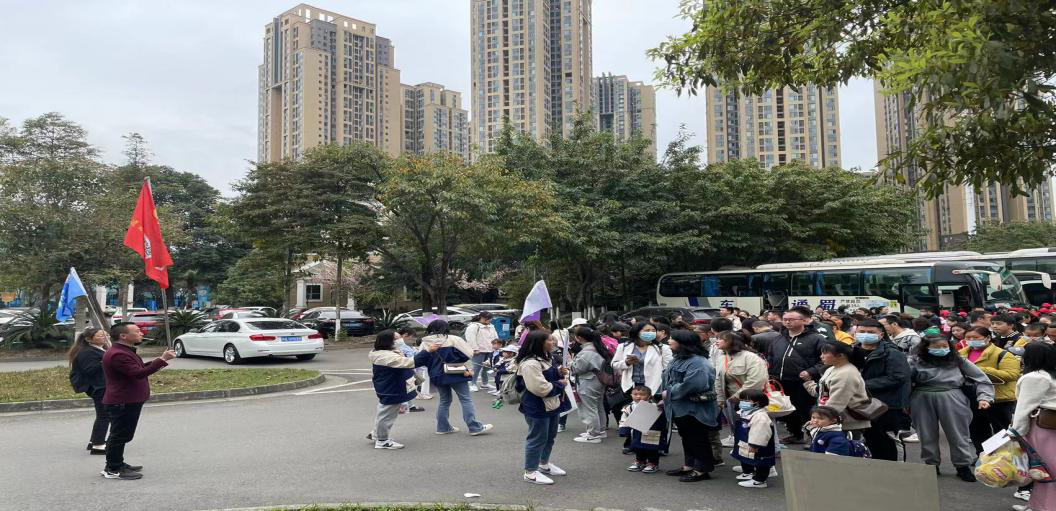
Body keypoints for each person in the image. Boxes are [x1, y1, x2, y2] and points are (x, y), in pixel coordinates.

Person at [909, 335, 995, 481]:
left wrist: (984, 397)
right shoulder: (914, 361)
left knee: (958, 433)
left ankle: (962, 465)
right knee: (926, 434)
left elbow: (982, 378)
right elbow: (905, 380)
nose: (942, 350)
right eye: (936, 347)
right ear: (925, 347)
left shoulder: (958, 360)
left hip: (952, 394)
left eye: (945, 346)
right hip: (922, 396)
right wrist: (904, 402)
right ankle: (931, 464)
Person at [100, 324, 176, 480]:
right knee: (119, 436)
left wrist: (160, 360)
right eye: (137, 331)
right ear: (123, 336)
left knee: (122, 435)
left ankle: (118, 463)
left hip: (127, 400)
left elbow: (138, 368)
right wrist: (162, 360)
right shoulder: (118, 354)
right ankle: (113, 468)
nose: (141, 333)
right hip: (122, 401)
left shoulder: (124, 351)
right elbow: (138, 373)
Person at [752, 306, 828, 444]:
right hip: (780, 380)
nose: (787, 322)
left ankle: (811, 437)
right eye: (785, 319)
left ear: (804, 320)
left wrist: (811, 371)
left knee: (805, 410)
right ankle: (796, 434)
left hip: (802, 382)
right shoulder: (778, 337)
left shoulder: (816, 339)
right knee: (787, 409)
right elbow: (770, 357)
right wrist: (769, 372)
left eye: (791, 319)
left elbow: (824, 360)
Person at [412, 320, 493, 436]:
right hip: (456, 372)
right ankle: (474, 427)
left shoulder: (425, 342)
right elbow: (469, 353)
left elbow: (421, 359)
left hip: (436, 374)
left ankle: (443, 427)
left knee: (444, 400)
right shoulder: (454, 339)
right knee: (465, 399)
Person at [661, 329, 719, 482]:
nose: (669, 341)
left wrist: (670, 392)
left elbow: (694, 384)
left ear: (683, 342)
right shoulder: (678, 358)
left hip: (695, 408)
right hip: (680, 407)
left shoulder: (698, 362)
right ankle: (689, 465)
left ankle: (702, 470)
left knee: (698, 438)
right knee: (687, 437)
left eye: (672, 338)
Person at [515, 329, 571, 485]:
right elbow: (540, 388)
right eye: (550, 340)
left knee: (549, 436)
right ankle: (530, 472)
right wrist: (560, 384)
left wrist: (558, 372)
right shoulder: (530, 363)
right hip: (537, 406)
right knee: (537, 438)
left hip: (552, 404)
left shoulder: (545, 358)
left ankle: (543, 464)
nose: (553, 342)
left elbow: (546, 377)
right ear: (539, 343)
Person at [851, 318, 911, 461]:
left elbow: (898, 377)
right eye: (862, 331)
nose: (866, 335)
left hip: (887, 405)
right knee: (870, 439)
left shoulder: (891, 353)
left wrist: (862, 385)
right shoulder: (852, 351)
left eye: (871, 332)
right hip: (862, 404)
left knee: (888, 440)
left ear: (881, 334)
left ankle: (896, 469)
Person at [368, 330, 438, 449]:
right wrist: (427, 351)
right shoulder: (386, 356)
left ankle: (376, 434)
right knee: (387, 415)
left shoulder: (381, 352)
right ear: (388, 341)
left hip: (388, 387)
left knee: (384, 412)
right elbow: (410, 362)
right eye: (397, 338)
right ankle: (382, 441)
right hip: (391, 388)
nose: (400, 340)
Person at [611, 322, 674, 453]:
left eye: (653, 330)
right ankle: (633, 444)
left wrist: (665, 388)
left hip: (654, 387)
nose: (651, 333)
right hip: (632, 387)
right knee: (633, 417)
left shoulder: (662, 348)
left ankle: (655, 448)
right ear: (637, 331)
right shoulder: (624, 346)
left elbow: (668, 369)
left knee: (652, 419)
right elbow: (614, 364)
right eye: (647, 330)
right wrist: (627, 362)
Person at [959, 326, 1021, 453]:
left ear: (988, 338)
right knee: (977, 430)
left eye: (976, 338)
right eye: (968, 338)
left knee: (1001, 431)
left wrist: (981, 370)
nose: (971, 340)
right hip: (972, 398)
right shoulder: (960, 354)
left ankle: (1004, 457)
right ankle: (982, 456)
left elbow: (1012, 374)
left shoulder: (1003, 354)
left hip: (999, 399)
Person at [1010, 343, 1056, 511]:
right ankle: (1037, 505)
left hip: (1041, 426)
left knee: (1044, 468)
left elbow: (1025, 406)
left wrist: (1015, 431)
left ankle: (1044, 507)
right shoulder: (1051, 375)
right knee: (1047, 467)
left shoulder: (1035, 377)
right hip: (1051, 424)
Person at [801, 341, 872, 435]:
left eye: (825, 353)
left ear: (840, 356)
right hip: (832, 421)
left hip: (846, 424)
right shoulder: (832, 368)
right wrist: (809, 382)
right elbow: (822, 392)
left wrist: (818, 420)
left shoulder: (846, 374)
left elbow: (835, 404)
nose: (821, 356)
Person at [714, 330, 768, 449]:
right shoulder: (722, 357)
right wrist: (720, 399)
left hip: (750, 401)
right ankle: (744, 454)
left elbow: (756, 381)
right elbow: (718, 379)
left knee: (757, 430)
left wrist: (737, 397)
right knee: (739, 428)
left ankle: (765, 457)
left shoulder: (751, 358)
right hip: (730, 401)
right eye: (717, 338)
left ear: (732, 341)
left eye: (721, 339)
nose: (717, 341)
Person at [68, 327, 110, 455]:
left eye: (105, 335)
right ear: (89, 339)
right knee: (104, 416)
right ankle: (98, 445)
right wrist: (106, 360)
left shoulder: (99, 349)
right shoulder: (87, 352)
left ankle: (94, 441)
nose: (105, 337)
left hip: (101, 385)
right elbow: (89, 370)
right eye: (100, 335)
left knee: (103, 415)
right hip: (97, 387)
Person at [570, 326, 612, 444]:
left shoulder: (587, 351)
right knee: (598, 406)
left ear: (579, 338)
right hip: (598, 381)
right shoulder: (597, 347)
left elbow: (577, 368)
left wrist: (570, 362)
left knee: (590, 408)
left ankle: (593, 434)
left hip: (589, 382)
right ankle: (600, 430)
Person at [730, 388, 776, 489]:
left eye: (746, 400)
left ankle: (759, 481)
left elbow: (760, 432)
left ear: (757, 402)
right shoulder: (746, 411)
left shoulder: (760, 416)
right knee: (746, 456)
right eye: (742, 400)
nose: (743, 402)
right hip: (746, 441)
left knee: (761, 461)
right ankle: (748, 472)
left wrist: (755, 445)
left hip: (757, 444)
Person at [620, 385, 668, 473]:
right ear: (631, 395)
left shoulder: (655, 406)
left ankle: (653, 463)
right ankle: (640, 461)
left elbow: (662, 419)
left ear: (649, 396)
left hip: (652, 431)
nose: (638, 396)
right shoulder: (629, 407)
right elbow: (624, 418)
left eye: (642, 394)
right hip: (637, 431)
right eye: (635, 394)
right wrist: (624, 429)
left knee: (652, 448)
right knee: (638, 447)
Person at [464, 312, 498, 392]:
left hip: (490, 350)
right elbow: (470, 339)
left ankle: (485, 383)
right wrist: (475, 349)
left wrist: (496, 346)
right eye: (489, 319)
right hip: (479, 351)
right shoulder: (473, 326)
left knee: (487, 368)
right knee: (476, 368)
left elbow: (495, 337)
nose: (490, 320)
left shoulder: (491, 326)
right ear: (482, 318)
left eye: (490, 319)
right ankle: (473, 384)